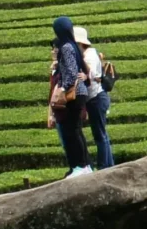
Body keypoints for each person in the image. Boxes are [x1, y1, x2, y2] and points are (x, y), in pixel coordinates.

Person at [47, 15, 92, 175]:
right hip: (80, 92)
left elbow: (72, 73)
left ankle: (80, 166)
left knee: (71, 131)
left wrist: (63, 88)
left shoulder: (66, 47)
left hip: (74, 94)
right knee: (76, 130)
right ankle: (85, 166)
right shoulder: (73, 45)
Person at [73, 24, 116, 170]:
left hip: (96, 99)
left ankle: (104, 167)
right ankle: (109, 165)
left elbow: (91, 73)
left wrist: (85, 75)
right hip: (96, 98)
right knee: (102, 134)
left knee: (100, 135)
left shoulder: (90, 55)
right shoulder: (88, 53)